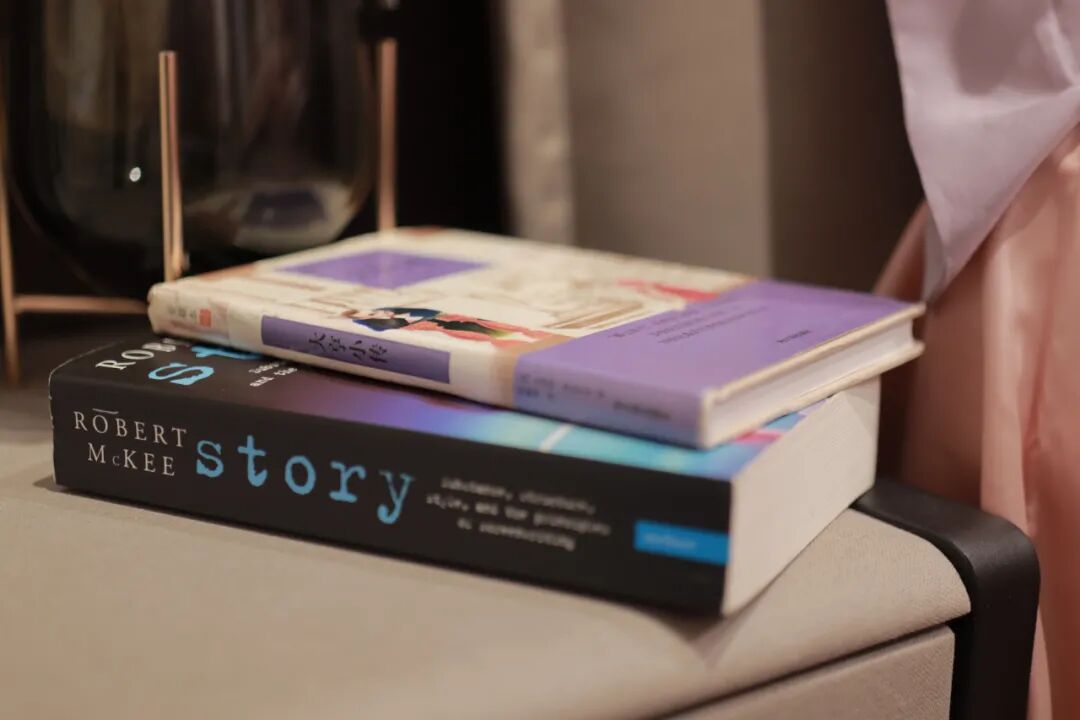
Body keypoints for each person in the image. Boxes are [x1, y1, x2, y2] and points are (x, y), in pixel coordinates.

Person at [343, 307, 554, 347]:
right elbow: (387, 328)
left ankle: (527, 334)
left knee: (478, 323)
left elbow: (426, 310)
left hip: (442, 318)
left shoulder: (389, 309)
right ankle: (510, 341)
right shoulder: (374, 324)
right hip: (430, 327)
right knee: (468, 333)